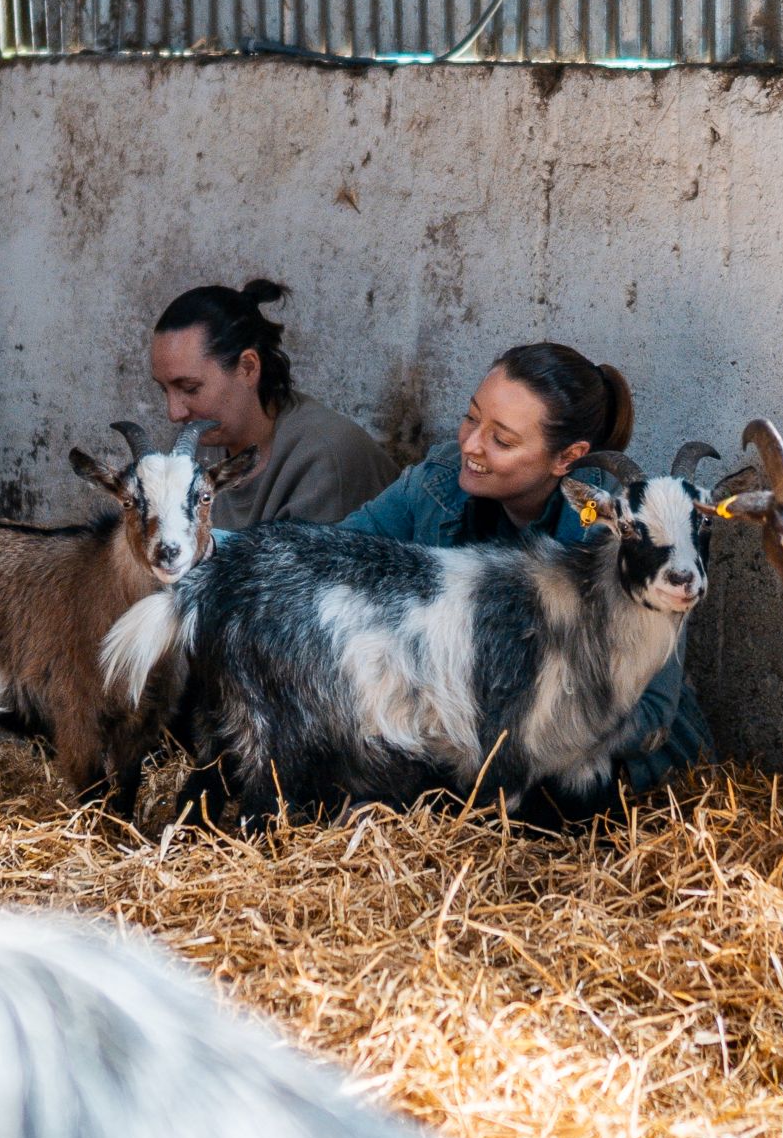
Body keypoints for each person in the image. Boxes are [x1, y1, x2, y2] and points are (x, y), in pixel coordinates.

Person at [340, 342, 711, 803]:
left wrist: (473, 726)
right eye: (471, 418)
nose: (471, 446)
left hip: (596, 755)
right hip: (458, 724)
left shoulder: (632, 532)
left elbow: (652, 712)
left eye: (503, 440)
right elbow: (335, 559)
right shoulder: (437, 481)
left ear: (567, 459)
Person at [148, 278, 395, 526]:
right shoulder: (199, 444)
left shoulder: (323, 460)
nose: (174, 412)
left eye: (190, 388)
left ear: (248, 368)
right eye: (164, 390)